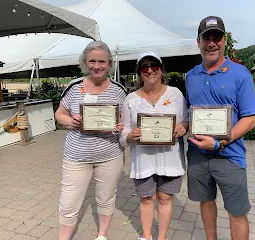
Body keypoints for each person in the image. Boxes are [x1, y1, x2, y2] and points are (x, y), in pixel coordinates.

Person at [185, 16, 255, 240]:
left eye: (216, 37)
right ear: (198, 41)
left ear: (224, 40)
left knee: (237, 211)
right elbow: (191, 112)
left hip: (230, 156)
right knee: (206, 203)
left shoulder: (240, 73)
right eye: (206, 37)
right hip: (198, 155)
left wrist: (221, 142)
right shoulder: (191, 76)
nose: (211, 43)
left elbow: (251, 118)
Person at [55, 41, 127, 240]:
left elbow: (124, 120)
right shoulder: (73, 87)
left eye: (102, 61)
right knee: (69, 201)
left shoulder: (119, 90)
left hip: (110, 155)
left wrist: (121, 127)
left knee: (106, 198)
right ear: (85, 63)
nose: (97, 66)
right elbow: (59, 114)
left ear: (109, 64)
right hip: (77, 156)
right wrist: (71, 121)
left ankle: (102, 235)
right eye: (92, 61)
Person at [120, 50, 189, 240]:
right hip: (143, 160)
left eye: (154, 65)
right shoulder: (131, 100)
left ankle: (162, 237)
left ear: (161, 69)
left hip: (170, 158)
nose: (149, 70)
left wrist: (183, 127)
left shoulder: (175, 94)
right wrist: (130, 136)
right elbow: (124, 131)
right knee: (147, 198)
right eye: (144, 66)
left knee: (165, 198)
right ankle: (147, 235)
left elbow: (186, 121)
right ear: (139, 72)